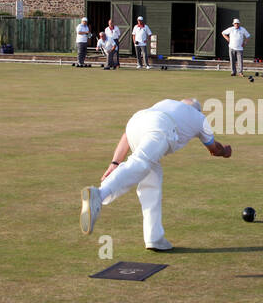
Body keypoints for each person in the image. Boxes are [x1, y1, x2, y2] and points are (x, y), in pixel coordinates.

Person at [80, 98, 232, 251]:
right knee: (141, 162)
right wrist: (225, 151)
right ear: (198, 110)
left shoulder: (166, 103)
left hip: (135, 123)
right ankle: (99, 195)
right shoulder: (199, 118)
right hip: (161, 127)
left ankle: (154, 238)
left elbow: (126, 136)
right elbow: (214, 149)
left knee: (151, 181)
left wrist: (115, 163)